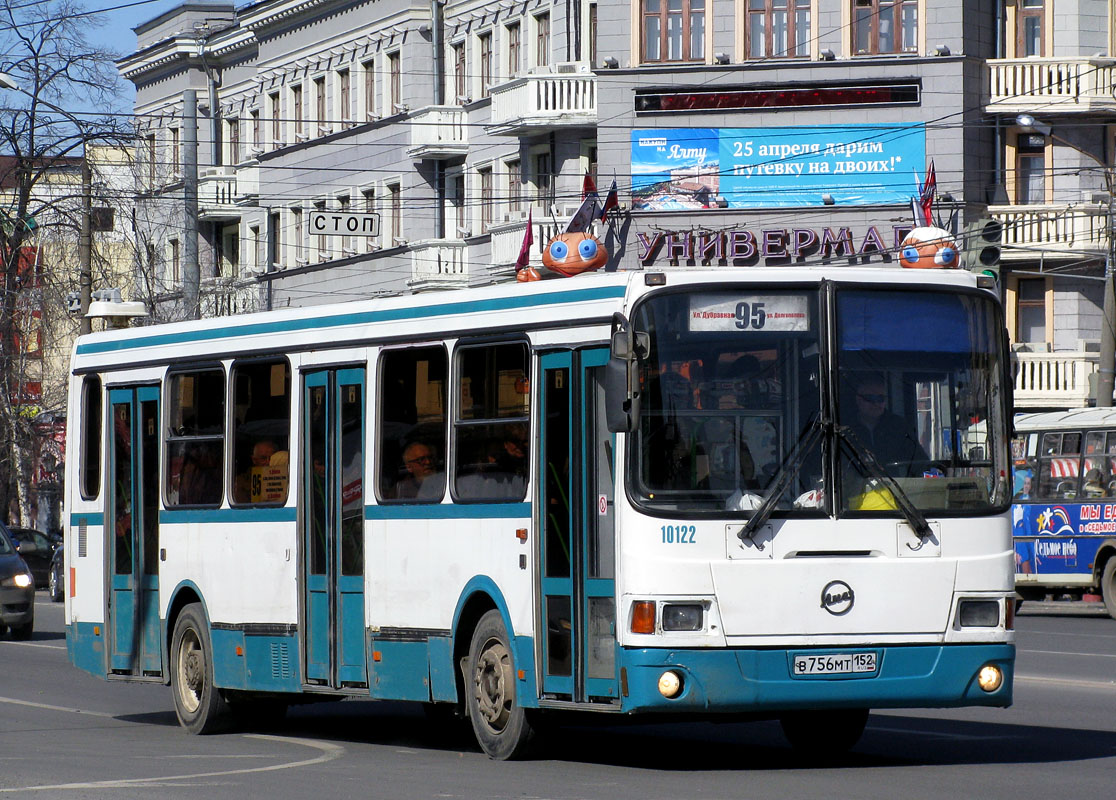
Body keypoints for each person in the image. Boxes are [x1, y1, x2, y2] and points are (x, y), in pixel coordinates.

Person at [846, 374, 928, 473]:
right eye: (870, 398)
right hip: (855, 487)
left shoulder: (899, 427)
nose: (876, 404)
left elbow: (920, 463)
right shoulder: (845, 429)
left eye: (880, 399)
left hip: (894, 487)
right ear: (858, 400)